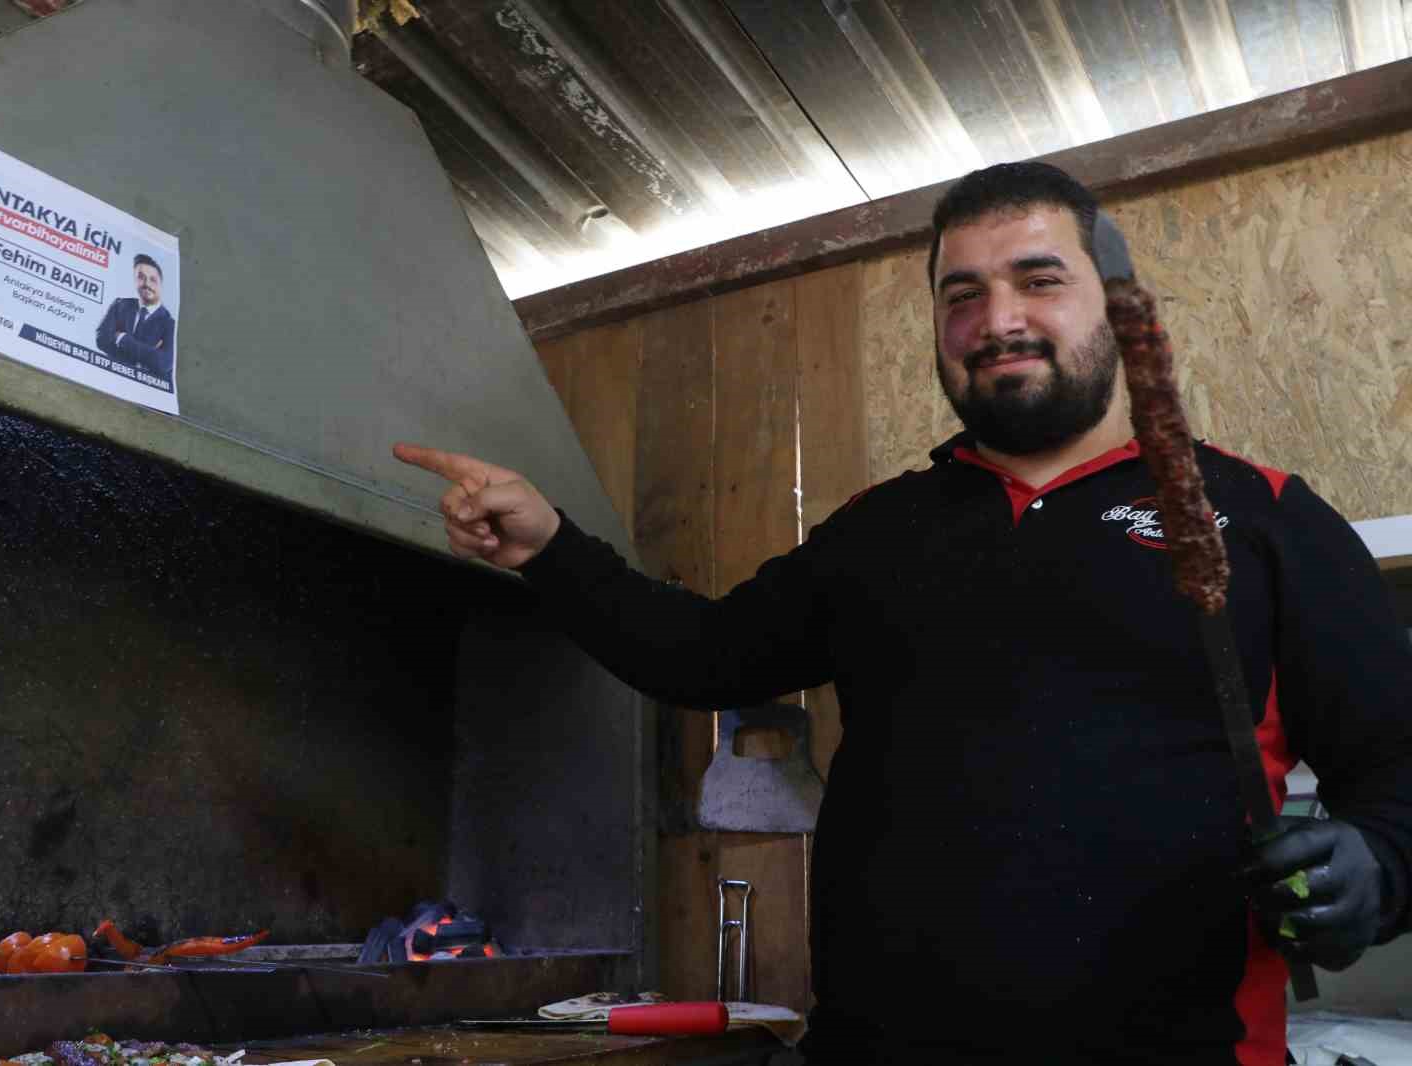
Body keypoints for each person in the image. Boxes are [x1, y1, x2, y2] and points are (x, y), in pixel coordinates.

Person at [394, 162, 1412, 1065]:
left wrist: (1375, 866)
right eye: (959, 292)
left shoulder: (1265, 517)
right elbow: (700, 657)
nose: (996, 317)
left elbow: (1398, 768)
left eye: (1038, 279)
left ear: (1117, 304)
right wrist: (547, 545)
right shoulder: (878, 531)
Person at [96, 254, 175, 385]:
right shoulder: (119, 305)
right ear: (134, 280)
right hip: (111, 379)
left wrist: (122, 338)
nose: (146, 284)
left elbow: (163, 363)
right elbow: (101, 339)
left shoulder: (169, 323)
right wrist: (148, 353)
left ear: (161, 284)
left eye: (153, 280)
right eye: (141, 278)